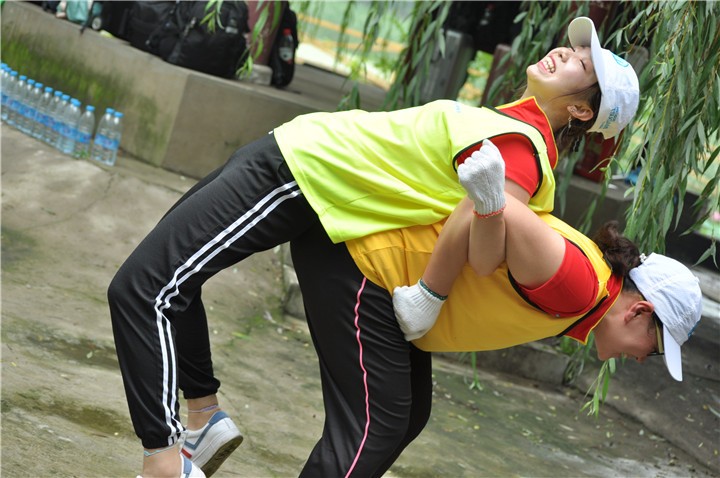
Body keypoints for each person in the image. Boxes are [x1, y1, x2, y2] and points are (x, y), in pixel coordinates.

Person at [107, 16, 640, 478]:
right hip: (296, 156)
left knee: (143, 290)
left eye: (581, 65)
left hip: (303, 176)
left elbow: (484, 247)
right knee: (165, 281)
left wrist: (430, 292)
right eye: (573, 47)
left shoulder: (520, 149)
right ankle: (203, 416)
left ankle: (166, 461)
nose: (565, 53)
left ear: (582, 111)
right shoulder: (511, 124)